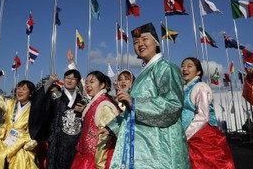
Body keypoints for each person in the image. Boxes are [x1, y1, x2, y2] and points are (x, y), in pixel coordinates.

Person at [97, 22, 190, 168]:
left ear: (156, 42)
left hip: (160, 147)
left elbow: (173, 104)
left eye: (144, 39)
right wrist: (111, 127)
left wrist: (135, 103)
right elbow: (130, 110)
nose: (140, 43)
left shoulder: (165, 67)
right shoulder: (146, 72)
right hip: (144, 147)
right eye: (135, 42)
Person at [181, 57, 235, 169]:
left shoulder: (201, 88)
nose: (185, 69)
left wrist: (184, 136)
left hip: (202, 137)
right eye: (182, 66)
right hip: (187, 136)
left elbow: (203, 116)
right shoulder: (183, 89)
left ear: (198, 71)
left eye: (189, 66)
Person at [0, 75, 38, 169]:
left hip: (21, 149)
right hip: (5, 145)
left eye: (24, 89)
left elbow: (38, 130)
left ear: (30, 93)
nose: (19, 91)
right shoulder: (10, 104)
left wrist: (30, 144)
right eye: (18, 88)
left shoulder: (35, 109)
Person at [71, 70, 120, 169]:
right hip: (84, 156)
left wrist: (100, 164)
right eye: (86, 82)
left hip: (95, 160)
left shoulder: (104, 105)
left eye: (92, 82)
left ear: (102, 85)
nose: (88, 85)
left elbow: (106, 138)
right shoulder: (95, 103)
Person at [43, 69, 85, 169]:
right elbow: (43, 95)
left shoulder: (83, 99)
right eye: (67, 78)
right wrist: (50, 81)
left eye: (73, 79)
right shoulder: (56, 95)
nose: (69, 80)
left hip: (76, 140)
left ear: (78, 82)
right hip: (58, 140)